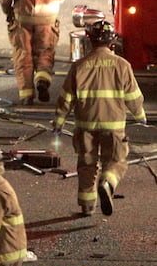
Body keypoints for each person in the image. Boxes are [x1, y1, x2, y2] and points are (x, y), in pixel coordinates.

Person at [52, 21, 146, 216]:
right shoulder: (122, 65)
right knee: (116, 160)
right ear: (112, 41)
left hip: (85, 125)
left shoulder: (79, 66)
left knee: (86, 165)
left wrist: (58, 123)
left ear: (90, 40)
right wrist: (140, 117)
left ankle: (87, 206)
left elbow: (66, 99)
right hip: (113, 126)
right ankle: (107, 181)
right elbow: (133, 98)